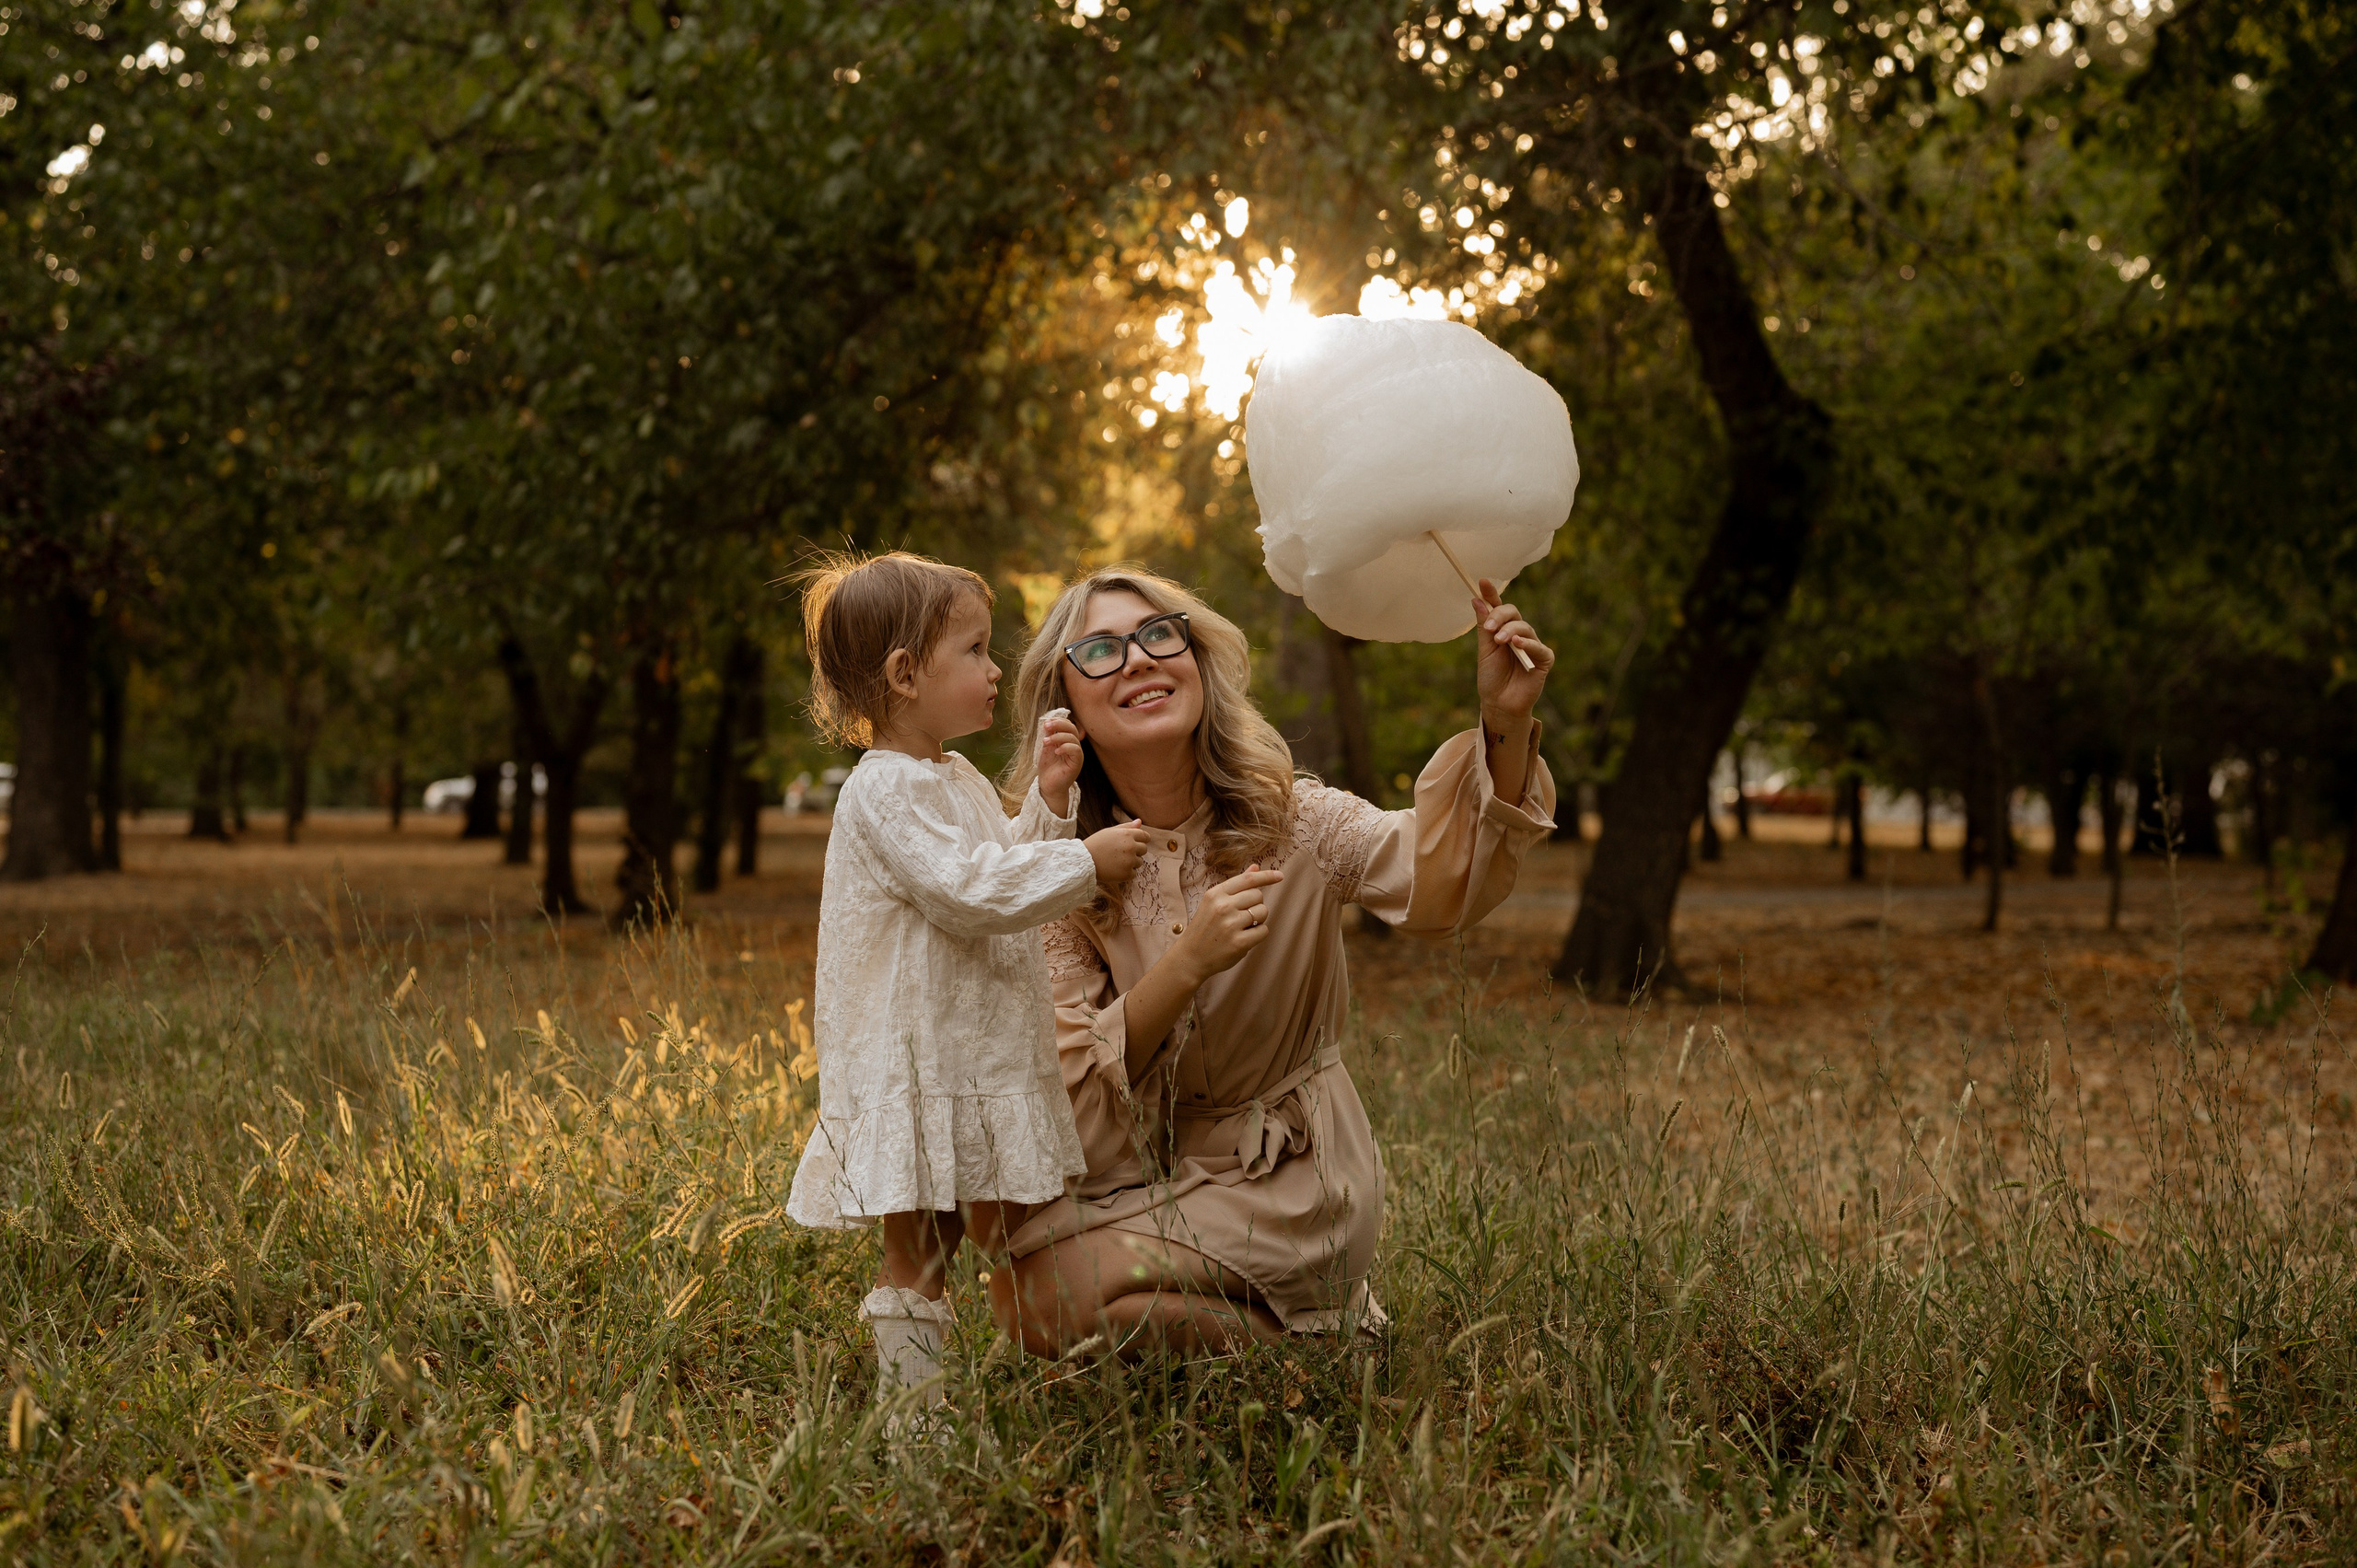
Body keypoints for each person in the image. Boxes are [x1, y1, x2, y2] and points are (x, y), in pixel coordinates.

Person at [989, 566, 1556, 1357]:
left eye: (1159, 635)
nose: (1140, 659)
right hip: (1171, 1172)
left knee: (1050, 1297)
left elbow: (1443, 882)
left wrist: (1503, 722)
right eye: (1101, 650)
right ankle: (1304, 1337)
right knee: (1016, 1288)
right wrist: (1184, 965)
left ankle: (1317, 1349)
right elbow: (1073, 1111)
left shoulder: (1293, 819)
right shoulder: (1066, 878)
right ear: (1065, 707)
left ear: (1195, 660)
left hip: (1298, 1177)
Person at [783, 551, 1153, 1403]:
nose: (996, 671)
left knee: (951, 1233)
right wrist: (1087, 860)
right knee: (917, 1244)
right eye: (977, 652)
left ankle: (978, 1368)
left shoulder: (949, 777)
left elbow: (1003, 868)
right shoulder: (882, 790)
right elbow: (968, 892)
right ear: (905, 675)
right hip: (913, 1062)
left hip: (962, 1054)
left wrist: (1052, 803)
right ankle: (915, 1418)